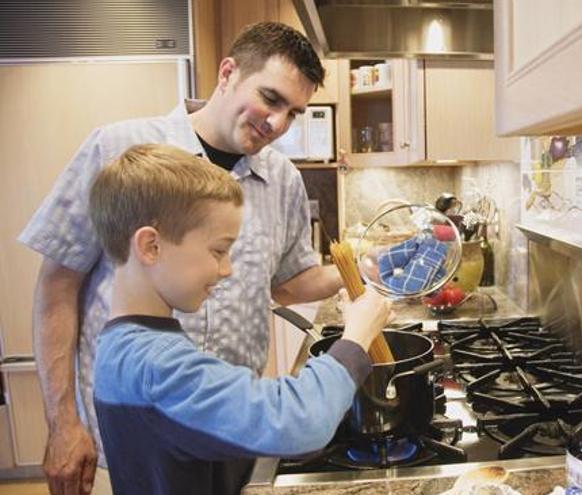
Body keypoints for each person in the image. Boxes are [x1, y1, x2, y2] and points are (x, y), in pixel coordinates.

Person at [19, 22, 344, 495]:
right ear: (228, 73)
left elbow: (287, 283)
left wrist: (363, 273)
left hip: (232, 430)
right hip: (131, 439)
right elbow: (57, 285)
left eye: (293, 113)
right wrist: (63, 422)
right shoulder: (119, 150)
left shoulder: (283, 179)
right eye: (270, 99)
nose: (277, 125)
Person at [87, 143, 390, 494]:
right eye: (219, 250)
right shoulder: (155, 366)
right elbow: (301, 423)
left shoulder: (125, 344)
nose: (228, 269)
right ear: (151, 246)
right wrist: (356, 336)